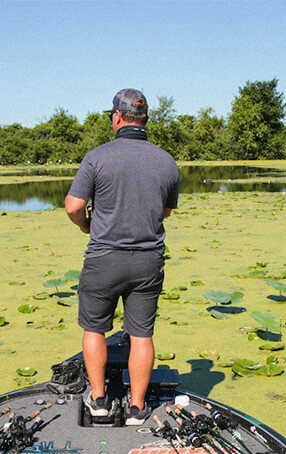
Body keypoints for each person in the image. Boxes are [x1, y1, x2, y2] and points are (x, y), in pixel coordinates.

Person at [64, 88, 179, 426]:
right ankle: (137, 408)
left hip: (104, 259)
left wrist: (86, 225)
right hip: (147, 260)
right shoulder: (166, 160)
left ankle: (99, 401)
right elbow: (166, 211)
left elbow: (73, 205)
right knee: (142, 334)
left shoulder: (97, 157)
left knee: (95, 329)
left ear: (117, 118)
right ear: (144, 119)